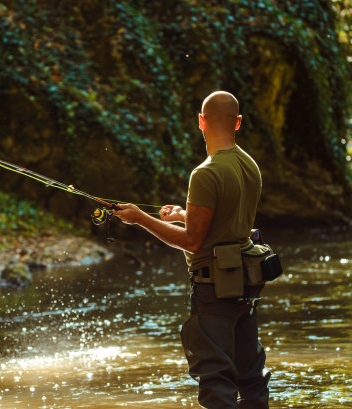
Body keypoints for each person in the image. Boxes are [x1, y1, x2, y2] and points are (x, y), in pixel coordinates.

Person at [113, 91, 270, 409]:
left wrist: (139, 218)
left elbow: (192, 242)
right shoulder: (249, 165)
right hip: (246, 285)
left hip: (214, 289)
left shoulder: (206, 172)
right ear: (237, 123)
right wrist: (184, 215)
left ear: (201, 121)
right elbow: (229, 223)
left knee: (216, 381)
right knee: (252, 379)